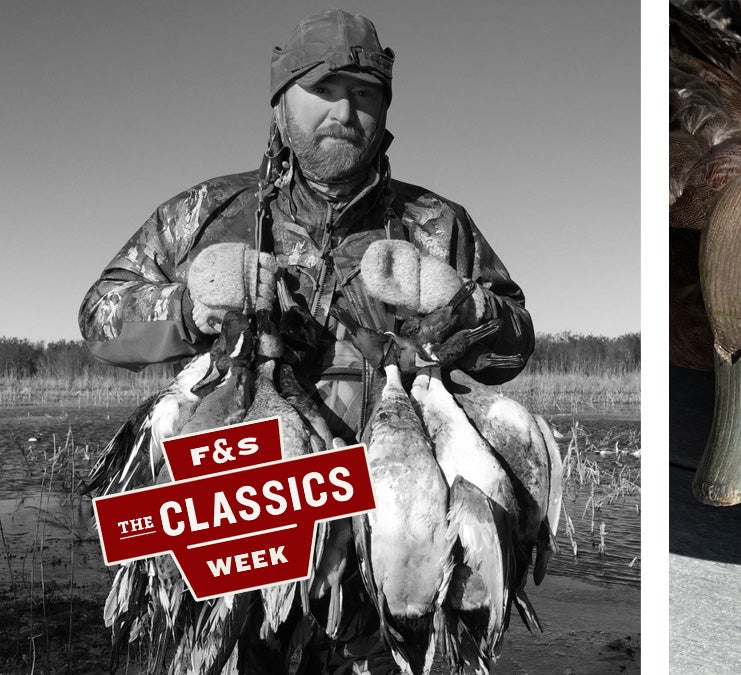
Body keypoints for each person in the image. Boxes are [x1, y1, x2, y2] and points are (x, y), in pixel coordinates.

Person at [78, 8, 535, 673]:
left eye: (366, 95)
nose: (346, 111)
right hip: (243, 524)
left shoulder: (435, 225)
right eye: (324, 89)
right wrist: (188, 305)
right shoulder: (207, 213)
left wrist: (461, 303)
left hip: (384, 548)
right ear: (281, 98)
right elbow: (100, 319)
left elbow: (516, 344)